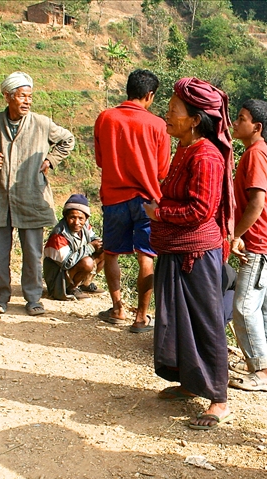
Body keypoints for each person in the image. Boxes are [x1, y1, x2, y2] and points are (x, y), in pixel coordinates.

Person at [145, 77, 234, 430]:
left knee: (204, 323)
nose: (167, 115)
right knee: (180, 321)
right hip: (177, 249)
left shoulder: (206, 156)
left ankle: (219, 399)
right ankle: (190, 382)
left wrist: (160, 214)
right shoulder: (185, 148)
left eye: (173, 111)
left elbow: (201, 210)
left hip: (196, 254)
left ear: (195, 119)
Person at [0, 71, 75, 317]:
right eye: (22, 96)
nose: (27, 101)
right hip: (0, 196)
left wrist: (50, 160)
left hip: (31, 196)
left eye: (30, 96)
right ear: (7, 96)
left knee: (32, 253)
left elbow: (67, 140)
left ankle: (33, 298)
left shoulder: (41, 123)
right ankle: (0, 296)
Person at [94, 69, 170, 332]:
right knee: (146, 256)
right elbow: (162, 171)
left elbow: (101, 160)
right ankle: (141, 317)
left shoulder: (105, 118)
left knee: (111, 253)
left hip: (114, 197)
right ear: (149, 95)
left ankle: (117, 309)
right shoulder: (158, 125)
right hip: (147, 200)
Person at [229, 99, 267, 392]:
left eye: (242, 118)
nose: (235, 123)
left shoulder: (255, 156)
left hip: (259, 242)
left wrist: (236, 235)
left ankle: (263, 371)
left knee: (244, 306)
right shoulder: (261, 153)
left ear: (257, 127)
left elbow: (256, 203)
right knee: (263, 303)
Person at [42, 194, 104, 301]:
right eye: (72, 217)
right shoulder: (59, 235)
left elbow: (93, 237)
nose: (76, 222)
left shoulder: (85, 227)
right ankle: (71, 288)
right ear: (66, 217)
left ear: (86, 219)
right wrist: (90, 247)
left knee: (105, 251)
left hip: (72, 269)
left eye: (81, 218)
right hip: (58, 280)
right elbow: (66, 263)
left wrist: (100, 243)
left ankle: (85, 284)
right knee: (87, 262)